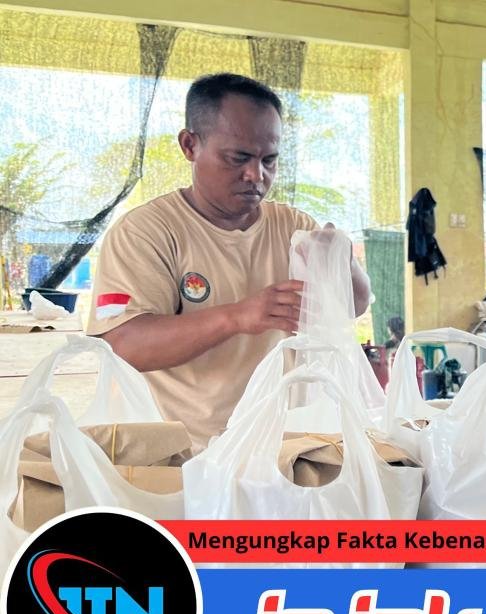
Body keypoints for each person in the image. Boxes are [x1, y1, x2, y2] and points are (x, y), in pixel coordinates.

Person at [87, 73, 371, 449]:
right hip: (187, 454)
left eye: (269, 160)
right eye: (238, 158)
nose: (256, 175)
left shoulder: (294, 227)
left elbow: (353, 305)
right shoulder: (145, 232)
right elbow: (123, 344)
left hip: (281, 447)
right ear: (190, 145)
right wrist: (237, 317)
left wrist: (342, 261)